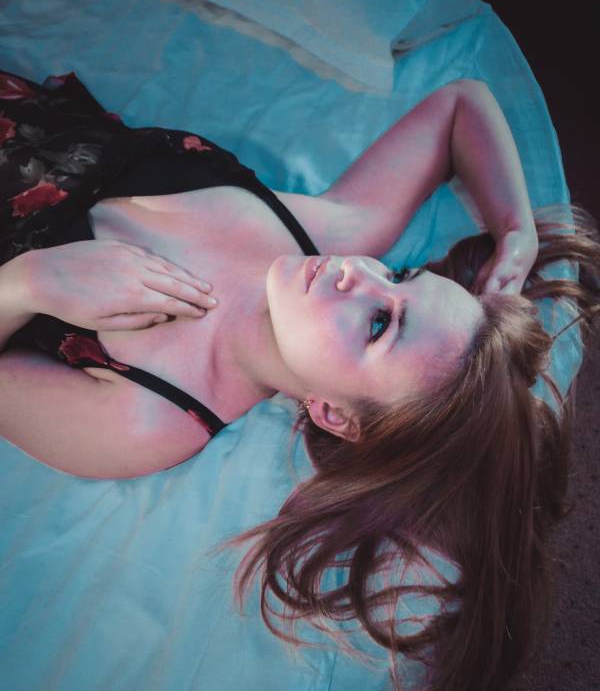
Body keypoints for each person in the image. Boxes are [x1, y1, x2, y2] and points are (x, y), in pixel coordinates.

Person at [1, 68, 599, 691]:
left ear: (333, 414)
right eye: (400, 275)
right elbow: (459, 105)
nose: (358, 273)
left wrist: (28, 284)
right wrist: (515, 231)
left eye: (378, 325)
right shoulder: (327, 236)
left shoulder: (150, 418)